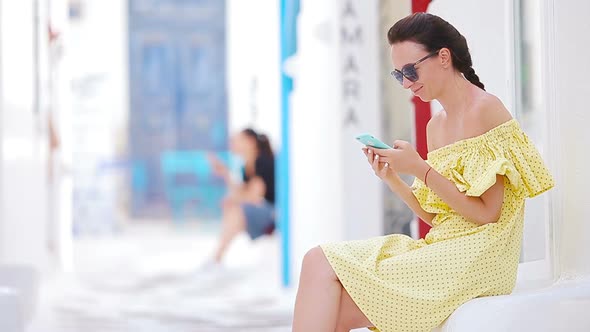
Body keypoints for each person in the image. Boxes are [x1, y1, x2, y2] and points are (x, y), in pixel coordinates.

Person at [291, 12, 554, 332]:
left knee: (334, 307)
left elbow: (488, 214)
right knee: (316, 260)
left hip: (480, 258)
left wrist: (419, 168)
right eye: (398, 74)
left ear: (444, 57)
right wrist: (392, 177)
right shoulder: (436, 125)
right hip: (443, 247)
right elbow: (436, 217)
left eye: (411, 70)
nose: (407, 82)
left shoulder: (486, 109)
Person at [206, 128, 275, 266]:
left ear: (250, 142)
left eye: (236, 140)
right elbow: (241, 195)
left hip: (272, 214)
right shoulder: (245, 168)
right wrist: (225, 174)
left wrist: (234, 199)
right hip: (261, 211)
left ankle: (216, 258)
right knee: (231, 206)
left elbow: (253, 197)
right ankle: (217, 257)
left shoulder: (262, 162)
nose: (232, 144)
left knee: (236, 209)